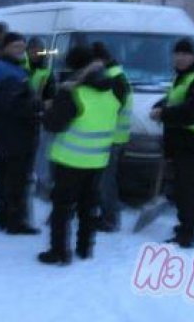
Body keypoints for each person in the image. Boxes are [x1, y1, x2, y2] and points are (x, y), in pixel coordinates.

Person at [38, 46, 120, 265]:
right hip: (98, 159)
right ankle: (85, 248)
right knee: (88, 206)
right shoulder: (111, 90)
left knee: (62, 208)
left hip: (69, 160)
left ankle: (59, 252)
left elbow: (54, 124)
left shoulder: (71, 92)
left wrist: (46, 110)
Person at [149, 37, 194, 248]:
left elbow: (193, 112)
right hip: (179, 140)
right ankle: (184, 227)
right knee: (182, 187)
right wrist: (161, 106)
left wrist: (163, 113)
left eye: (185, 54)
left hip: (192, 139)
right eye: (177, 54)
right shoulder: (183, 76)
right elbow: (175, 99)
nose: (180, 58)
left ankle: (188, 234)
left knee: (189, 189)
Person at [0, 32, 42, 235]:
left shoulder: (7, 68)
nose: (20, 51)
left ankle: (4, 218)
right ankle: (15, 222)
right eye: (15, 47)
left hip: (6, 133)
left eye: (22, 47)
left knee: (5, 177)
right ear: (4, 49)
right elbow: (14, 105)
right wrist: (38, 105)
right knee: (16, 179)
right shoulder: (8, 72)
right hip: (15, 134)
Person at [91, 41, 133, 233]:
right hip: (111, 137)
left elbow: (109, 109)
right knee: (104, 179)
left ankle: (110, 219)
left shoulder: (114, 79)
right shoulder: (115, 75)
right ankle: (106, 214)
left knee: (106, 181)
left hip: (111, 138)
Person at [27, 37, 57, 197]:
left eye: (39, 50)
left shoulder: (46, 70)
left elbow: (51, 95)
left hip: (39, 116)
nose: (36, 53)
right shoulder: (22, 67)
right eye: (33, 50)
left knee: (41, 152)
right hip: (22, 116)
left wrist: (45, 105)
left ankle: (41, 183)